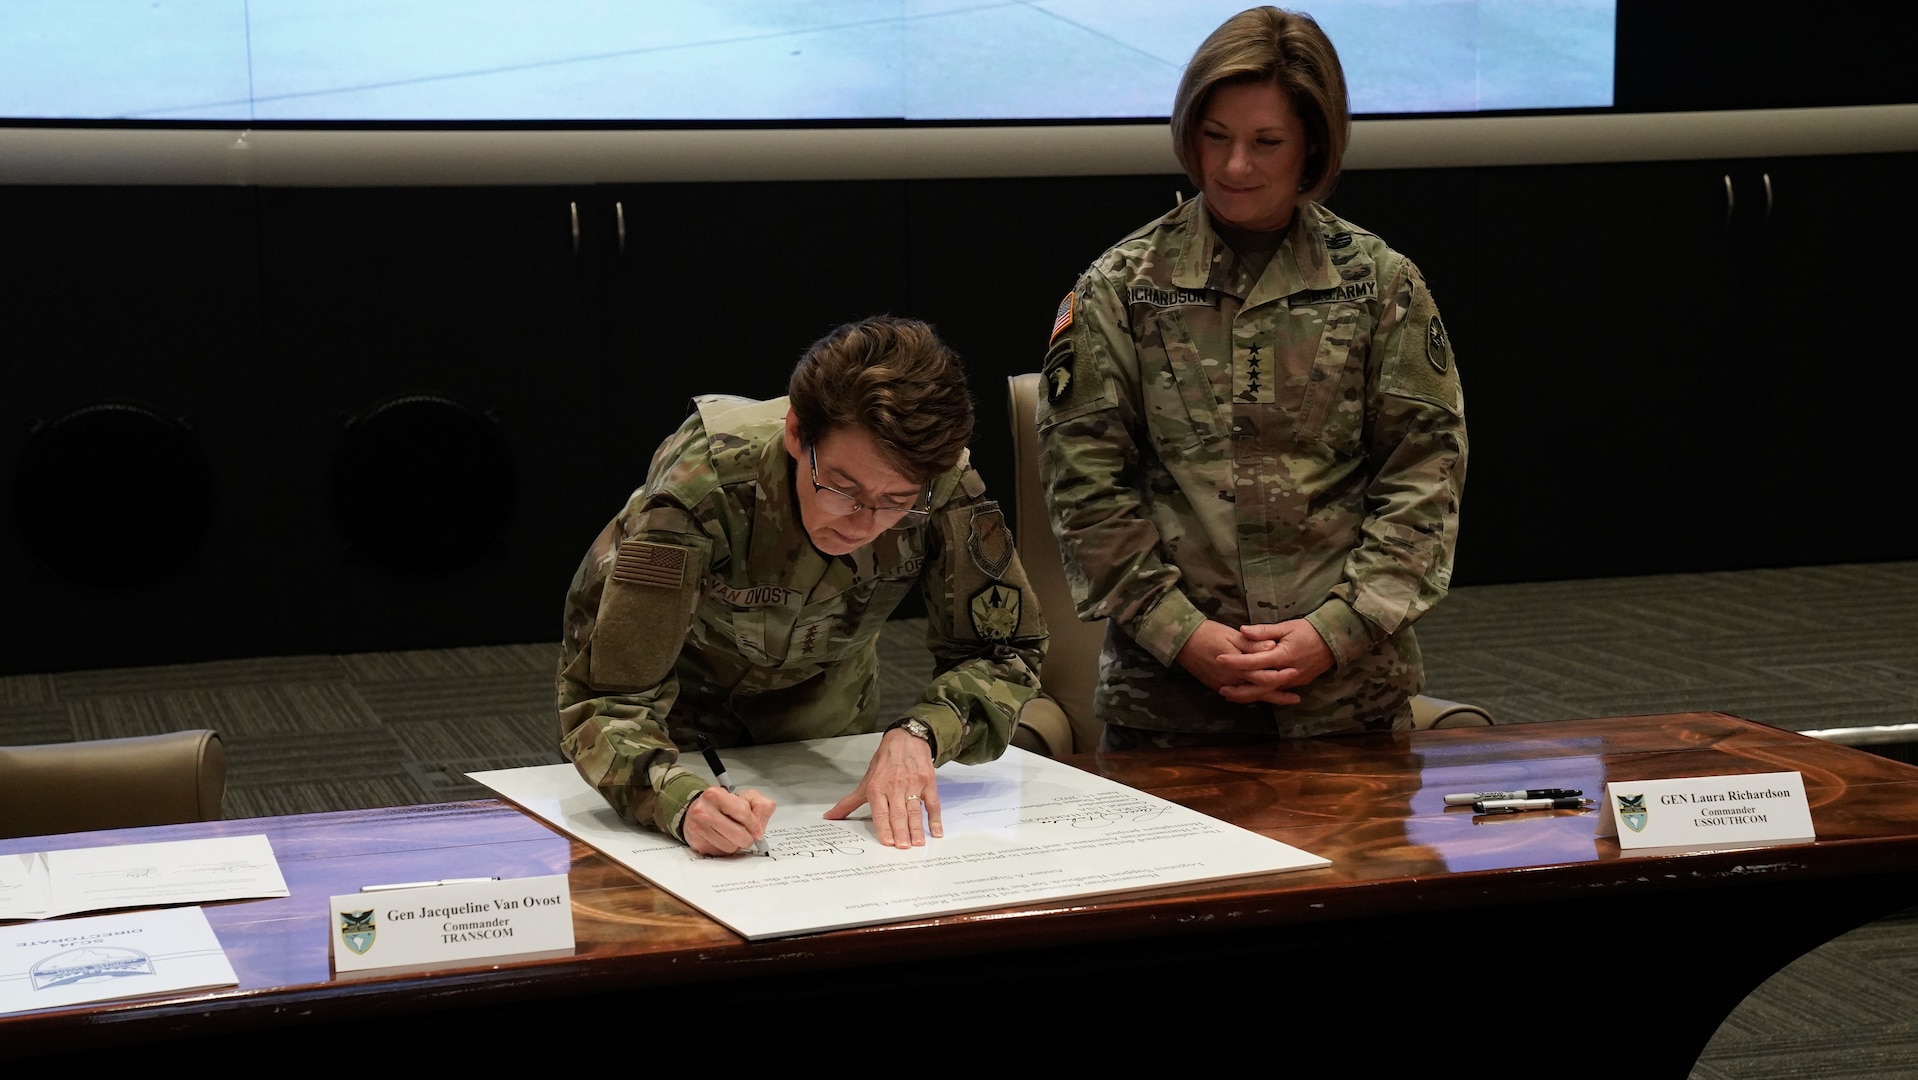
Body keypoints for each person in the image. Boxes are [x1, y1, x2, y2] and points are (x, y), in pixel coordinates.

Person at [1037, 7, 1465, 748]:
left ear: (1311, 148)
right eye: (1215, 137)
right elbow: (1086, 490)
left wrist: (1338, 629)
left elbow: (1426, 474)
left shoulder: (1379, 283)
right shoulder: (1120, 287)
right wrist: (1184, 635)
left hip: (1347, 698)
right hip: (1167, 705)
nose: (1234, 166)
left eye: (1266, 142)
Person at [558, 316, 1047, 855]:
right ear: (797, 435)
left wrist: (921, 735)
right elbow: (608, 698)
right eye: (842, 487)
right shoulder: (704, 487)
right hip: (672, 717)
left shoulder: (944, 482)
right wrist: (676, 800)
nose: (864, 523)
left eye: (896, 502)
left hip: (823, 713)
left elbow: (1005, 650)